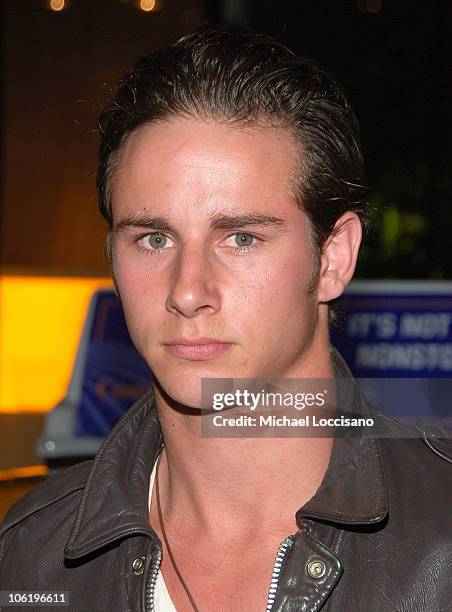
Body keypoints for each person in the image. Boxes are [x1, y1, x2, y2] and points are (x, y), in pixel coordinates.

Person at [1, 24, 451, 612]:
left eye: (241, 237)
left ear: (334, 256)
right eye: (154, 238)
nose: (188, 292)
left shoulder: (440, 533)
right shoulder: (31, 555)